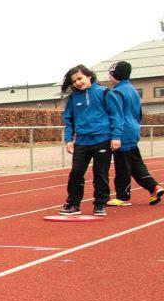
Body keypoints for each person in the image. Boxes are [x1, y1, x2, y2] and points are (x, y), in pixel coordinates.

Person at [59, 65, 123, 216]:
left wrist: (116, 136)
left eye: (80, 78)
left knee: (100, 173)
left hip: (102, 139)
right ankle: (74, 204)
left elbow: (116, 115)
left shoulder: (104, 93)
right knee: (76, 172)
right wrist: (68, 139)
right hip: (82, 141)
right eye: (74, 81)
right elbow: (69, 120)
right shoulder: (73, 98)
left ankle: (100, 204)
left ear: (89, 76)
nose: (78, 83)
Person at [105, 60, 164, 206]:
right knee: (136, 164)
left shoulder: (117, 92)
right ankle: (154, 187)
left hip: (122, 133)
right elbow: (139, 113)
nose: (108, 77)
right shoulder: (133, 90)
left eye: (110, 74)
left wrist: (115, 134)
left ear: (115, 74)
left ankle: (123, 197)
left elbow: (115, 114)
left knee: (122, 166)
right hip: (133, 130)